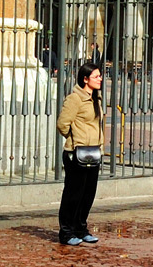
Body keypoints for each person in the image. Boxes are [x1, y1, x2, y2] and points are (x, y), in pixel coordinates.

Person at [55, 61, 104, 246]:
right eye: (96, 76)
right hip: (75, 152)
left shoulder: (96, 98)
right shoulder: (74, 98)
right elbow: (62, 124)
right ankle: (66, 232)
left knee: (88, 193)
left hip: (93, 152)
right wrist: (75, 138)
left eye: (100, 76)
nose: (100, 79)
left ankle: (81, 228)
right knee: (73, 194)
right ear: (85, 79)